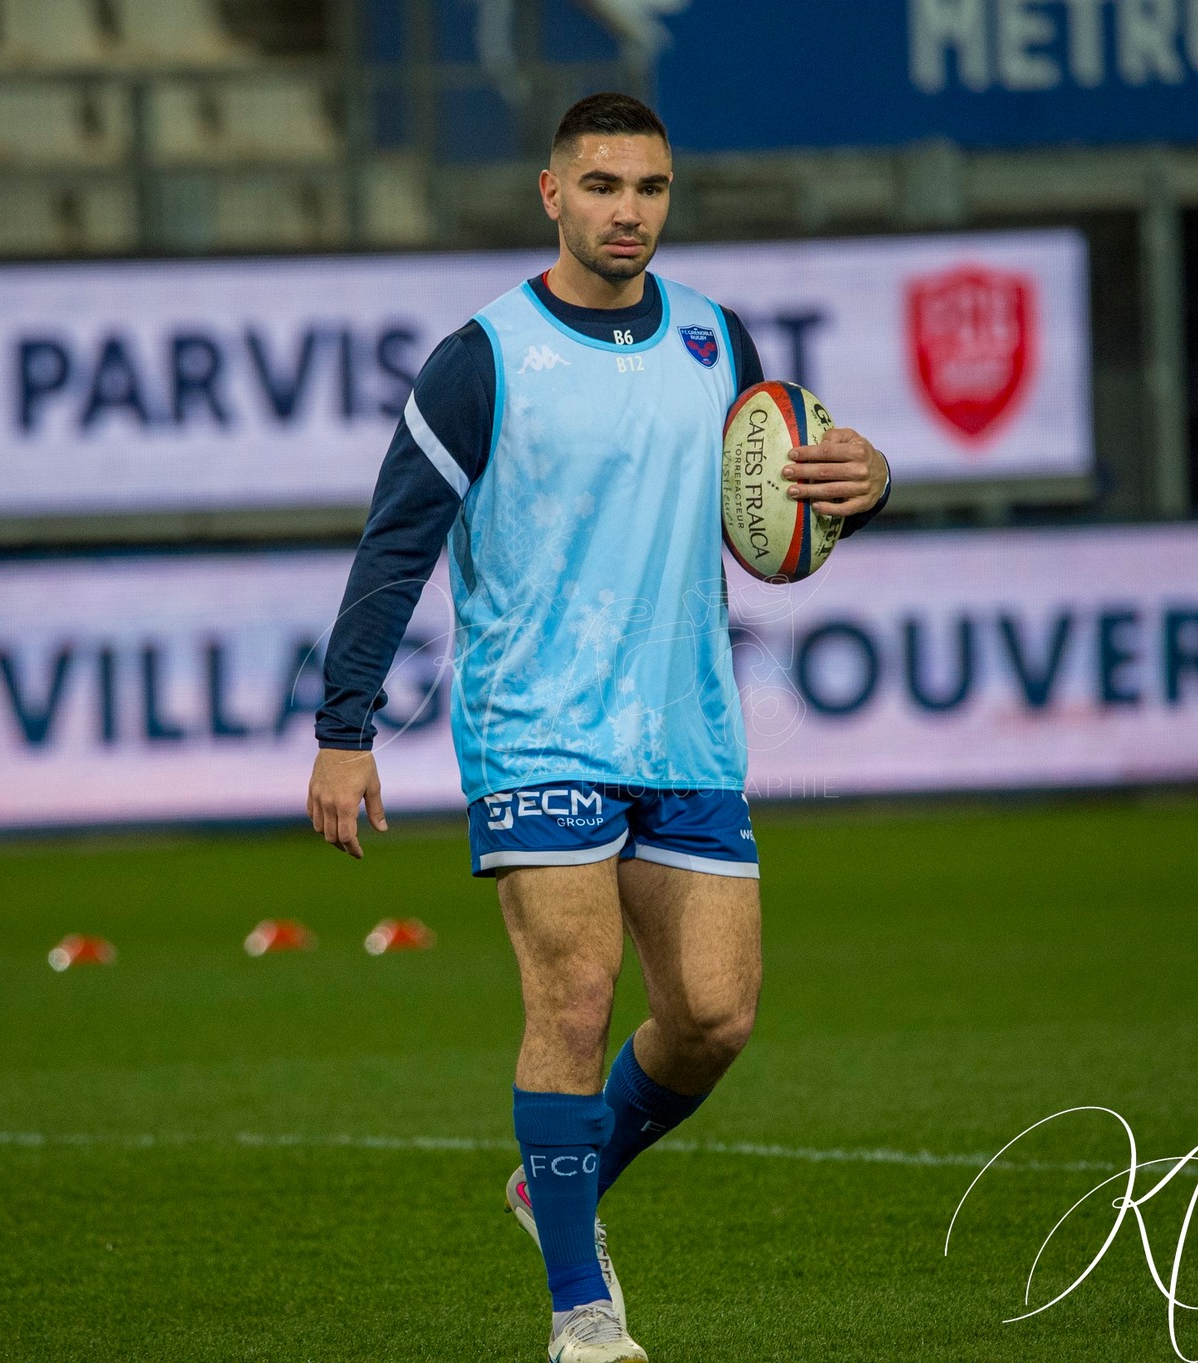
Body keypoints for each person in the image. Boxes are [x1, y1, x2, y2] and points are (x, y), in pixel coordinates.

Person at [306, 92, 891, 1363]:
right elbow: (393, 548)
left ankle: (550, 1189)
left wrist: (866, 482)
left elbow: (783, 498)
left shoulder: (717, 340)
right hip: (537, 725)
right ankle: (581, 1312)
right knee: (574, 997)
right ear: (551, 193)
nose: (629, 211)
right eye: (604, 185)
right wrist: (344, 729)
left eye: (651, 188)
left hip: (686, 730)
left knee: (712, 1018)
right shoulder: (483, 358)